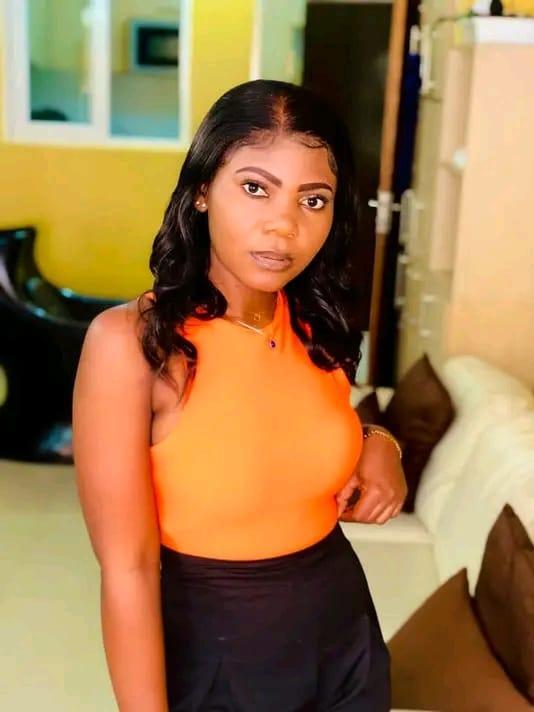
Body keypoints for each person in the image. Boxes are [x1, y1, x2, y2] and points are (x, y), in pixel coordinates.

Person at [73, 79, 407, 712]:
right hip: (217, 656)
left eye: (313, 200)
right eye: (256, 188)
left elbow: (303, 426)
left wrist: (378, 441)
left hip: (345, 640)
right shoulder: (133, 344)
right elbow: (128, 571)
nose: (284, 226)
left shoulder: (316, 322)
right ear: (202, 191)